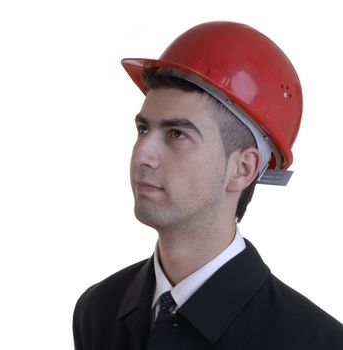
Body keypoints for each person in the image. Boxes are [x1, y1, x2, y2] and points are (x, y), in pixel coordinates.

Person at [72, 21, 343, 350]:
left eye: (176, 134)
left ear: (243, 169)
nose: (142, 155)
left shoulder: (314, 341)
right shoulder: (99, 310)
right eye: (143, 130)